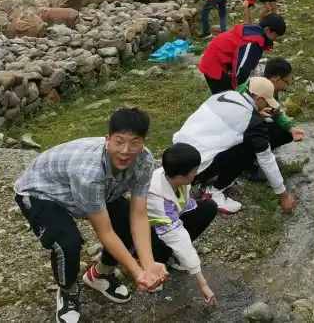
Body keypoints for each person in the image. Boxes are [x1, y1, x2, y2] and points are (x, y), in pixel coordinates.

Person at [15, 108, 167, 323]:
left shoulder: (144, 160)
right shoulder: (89, 172)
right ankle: (67, 292)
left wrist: (148, 263)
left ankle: (99, 274)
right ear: (108, 139)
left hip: (97, 190)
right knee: (67, 243)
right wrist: (138, 272)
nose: (126, 150)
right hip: (42, 192)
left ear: (143, 142)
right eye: (119, 141)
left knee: (124, 223)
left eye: (134, 142)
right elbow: (104, 231)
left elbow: (139, 214)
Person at [174, 77, 298, 214]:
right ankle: (213, 191)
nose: (267, 107)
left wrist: (257, 115)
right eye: (267, 102)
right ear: (259, 99)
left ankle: (202, 178)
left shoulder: (224, 95)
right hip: (195, 168)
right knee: (250, 149)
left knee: (236, 141)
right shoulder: (252, 121)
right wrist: (283, 195)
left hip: (177, 152)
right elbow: (266, 159)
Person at [146, 144, 219, 307]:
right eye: (194, 170)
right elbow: (176, 235)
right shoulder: (156, 197)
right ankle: (153, 268)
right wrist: (203, 283)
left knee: (208, 207)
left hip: (170, 221)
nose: (196, 173)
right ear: (182, 175)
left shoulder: (175, 178)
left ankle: (176, 256)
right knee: (165, 240)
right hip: (151, 231)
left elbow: (183, 205)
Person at [197, 14, 287, 94]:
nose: (275, 39)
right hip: (214, 64)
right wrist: (240, 90)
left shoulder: (253, 30)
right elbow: (242, 70)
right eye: (276, 35)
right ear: (268, 30)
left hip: (216, 58)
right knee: (226, 97)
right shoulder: (254, 42)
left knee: (226, 95)